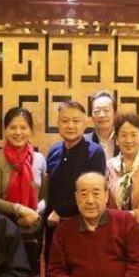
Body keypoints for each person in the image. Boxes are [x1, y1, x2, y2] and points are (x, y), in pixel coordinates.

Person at [45, 101, 106, 257]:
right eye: (65, 121)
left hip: (82, 226)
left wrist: (60, 210)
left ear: (85, 124)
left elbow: (92, 193)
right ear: (58, 123)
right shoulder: (53, 151)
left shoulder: (95, 152)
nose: (70, 126)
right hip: (54, 226)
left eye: (76, 121)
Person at [0, 107, 46, 227]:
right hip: (2, 227)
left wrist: (35, 213)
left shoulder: (40, 159)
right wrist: (20, 210)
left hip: (33, 227)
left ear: (31, 131)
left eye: (23, 128)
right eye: (13, 128)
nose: (18, 132)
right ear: (5, 130)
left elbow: (44, 197)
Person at [84, 90, 117, 158]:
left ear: (115, 114)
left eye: (106, 110)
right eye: (97, 111)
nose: (101, 115)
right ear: (91, 116)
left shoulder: (123, 140)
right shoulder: (83, 142)